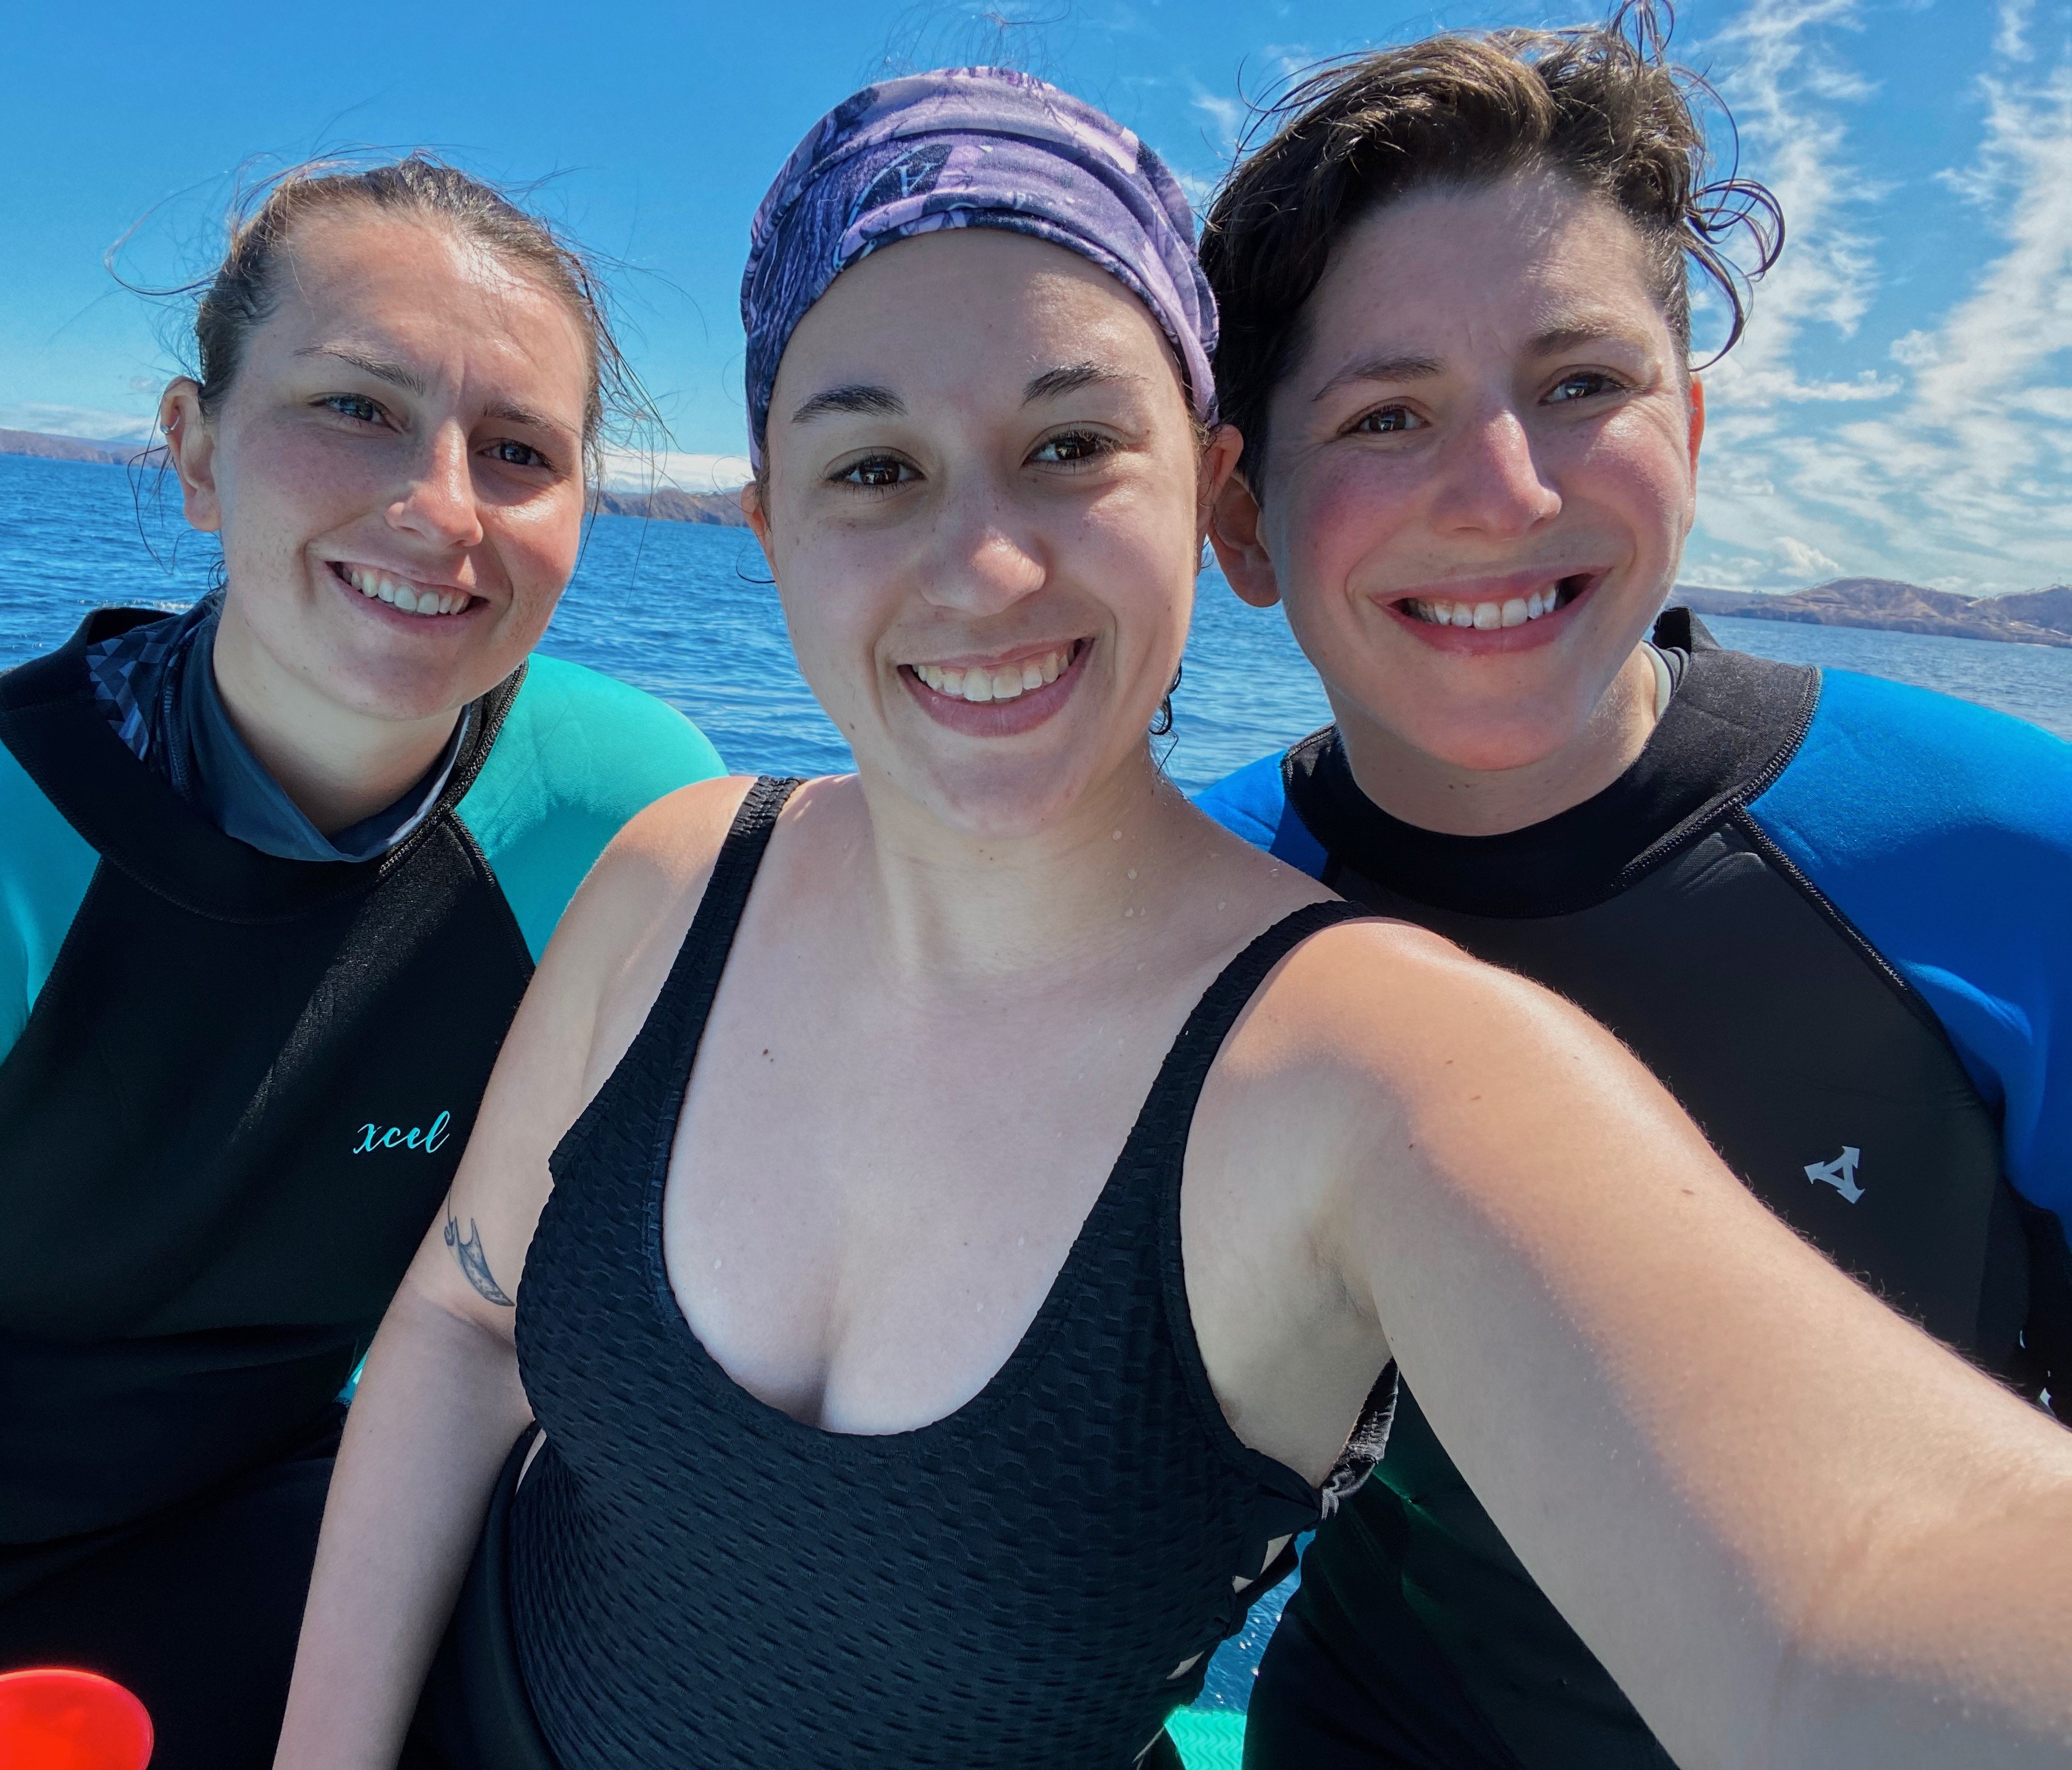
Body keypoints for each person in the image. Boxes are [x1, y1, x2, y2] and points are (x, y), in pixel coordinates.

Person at [270, 70, 2072, 1770]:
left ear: (1202, 496)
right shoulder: (685, 872)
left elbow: (1849, 1594)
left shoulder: (1375, 1058)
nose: (983, 567)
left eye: (1069, 445)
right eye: (874, 468)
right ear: (769, 527)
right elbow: (465, 1320)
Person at [0, 156, 722, 1770]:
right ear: (192, 449)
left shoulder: (624, 818)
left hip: (278, 1526)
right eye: (356, 408)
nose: (443, 508)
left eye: (519, 451)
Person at [1189, 10, 2072, 1766]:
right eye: (1385, 413)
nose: (1505, 492)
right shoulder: (1192, 921)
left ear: (1693, 426)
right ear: (1245, 525)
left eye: (1583, 386)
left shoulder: (2000, 851)